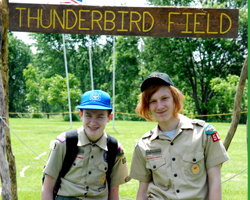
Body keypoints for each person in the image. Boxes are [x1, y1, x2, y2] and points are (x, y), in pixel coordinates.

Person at [130, 72, 229, 200]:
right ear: (147, 106)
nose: (159, 106)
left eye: (164, 98)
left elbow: (215, 181)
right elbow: (142, 191)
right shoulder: (144, 145)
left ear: (174, 98)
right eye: (153, 101)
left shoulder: (204, 134)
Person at [42, 90, 130, 200]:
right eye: (88, 115)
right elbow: (47, 187)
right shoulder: (64, 143)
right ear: (81, 114)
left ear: (109, 117)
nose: (93, 122)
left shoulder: (114, 148)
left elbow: (113, 191)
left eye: (100, 116)